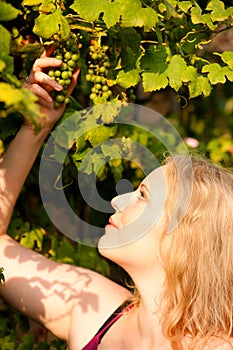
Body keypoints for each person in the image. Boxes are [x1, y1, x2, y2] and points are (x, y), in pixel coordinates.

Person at [0, 50, 233, 350]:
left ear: (184, 238)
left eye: (143, 197)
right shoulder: (92, 306)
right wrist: (36, 126)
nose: (117, 200)